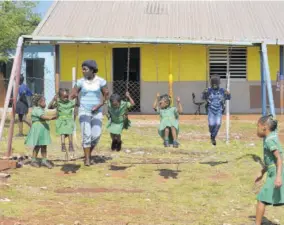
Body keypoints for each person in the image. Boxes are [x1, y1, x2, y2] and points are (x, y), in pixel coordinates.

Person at [71, 60, 109, 166]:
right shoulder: (80, 82)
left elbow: (106, 96)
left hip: (97, 111)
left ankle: (88, 153)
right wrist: (73, 96)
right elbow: (73, 93)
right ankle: (87, 159)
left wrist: (100, 104)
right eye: (82, 69)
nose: (83, 71)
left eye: (85, 69)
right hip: (84, 110)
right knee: (86, 134)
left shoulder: (101, 81)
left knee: (96, 135)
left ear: (92, 70)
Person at [254, 115, 284, 225]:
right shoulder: (271, 137)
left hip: (277, 172)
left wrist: (278, 177)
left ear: (264, 127)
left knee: (262, 198)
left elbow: (278, 159)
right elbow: (270, 161)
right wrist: (262, 172)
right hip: (274, 171)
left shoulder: (269, 141)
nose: (256, 129)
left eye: (257, 126)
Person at [25, 94, 57, 169]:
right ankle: (33, 160)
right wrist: (52, 117)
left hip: (43, 129)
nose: (45, 103)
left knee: (44, 145)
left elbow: (46, 113)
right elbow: (43, 117)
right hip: (38, 129)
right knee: (38, 145)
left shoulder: (41, 109)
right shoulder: (37, 109)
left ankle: (44, 160)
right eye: (44, 101)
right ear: (39, 102)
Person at [202, 75, 231, 146]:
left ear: (218, 84)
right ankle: (212, 133)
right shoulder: (208, 90)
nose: (215, 86)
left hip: (219, 110)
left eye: (216, 84)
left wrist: (228, 94)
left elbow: (228, 98)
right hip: (210, 110)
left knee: (218, 124)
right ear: (211, 84)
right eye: (213, 84)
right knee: (211, 124)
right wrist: (204, 93)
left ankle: (213, 137)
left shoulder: (222, 90)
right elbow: (203, 98)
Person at [48, 88, 77, 153]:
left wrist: (77, 97)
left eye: (67, 97)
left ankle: (70, 145)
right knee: (63, 133)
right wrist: (53, 99)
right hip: (61, 120)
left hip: (69, 120)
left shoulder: (70, 102)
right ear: (60, 97)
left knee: (70, 132)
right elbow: (49, 107)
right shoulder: (58, 103)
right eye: (64, 97)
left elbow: (77, 105)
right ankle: (63, 145)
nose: (66, 98)